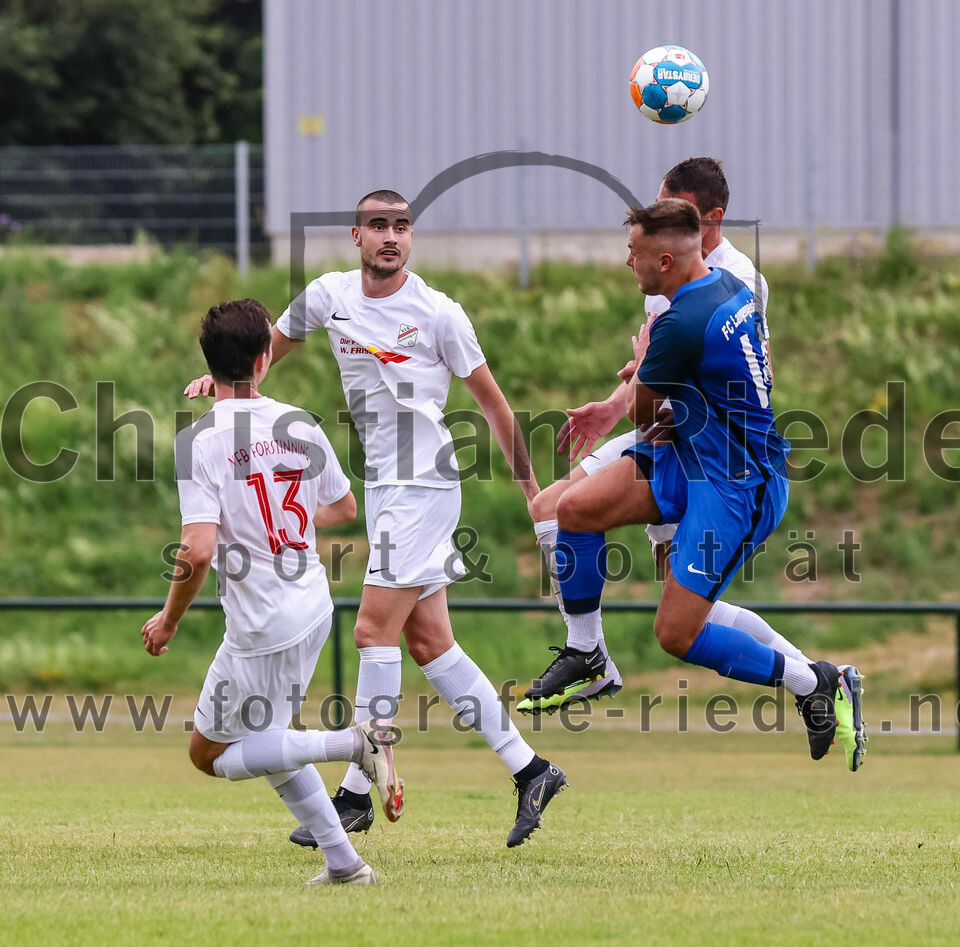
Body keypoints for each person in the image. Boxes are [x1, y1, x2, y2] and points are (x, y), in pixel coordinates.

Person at [185, 192, 567, 848]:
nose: (391, 236)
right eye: (379, 226)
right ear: (356, 235)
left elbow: (497, 406)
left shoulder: (440, 314)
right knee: (430, 644)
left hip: (424, 483)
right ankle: (531, 768)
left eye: (402, 226)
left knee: (370, 629)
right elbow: (269, 344)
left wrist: (533, 490)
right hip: (386, 485)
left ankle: (357, 793)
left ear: (409, 237)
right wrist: (220, 378)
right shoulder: (329, 294)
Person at [520, 159, 865, 773]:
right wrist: (662, 375)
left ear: (664, 262)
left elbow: (643, 417)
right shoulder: (727, 286)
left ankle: (814, 681)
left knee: (676, 633)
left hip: (737, 485)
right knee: (571, 509)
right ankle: (587, 654)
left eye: (634, 252)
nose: (628, 262)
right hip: (694, 451)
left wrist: (653, 369)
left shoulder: (683, 317)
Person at [143, 298, 403, 887]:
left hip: (260, 626)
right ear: (265, 360)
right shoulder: (301, 423)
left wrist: (168, 621)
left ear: (208, 365)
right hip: (311, 605)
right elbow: (341, 508)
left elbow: (199, 549)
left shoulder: (199, 441)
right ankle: (346, 866)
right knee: (271, 741)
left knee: (207, 757)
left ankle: (349, 744)